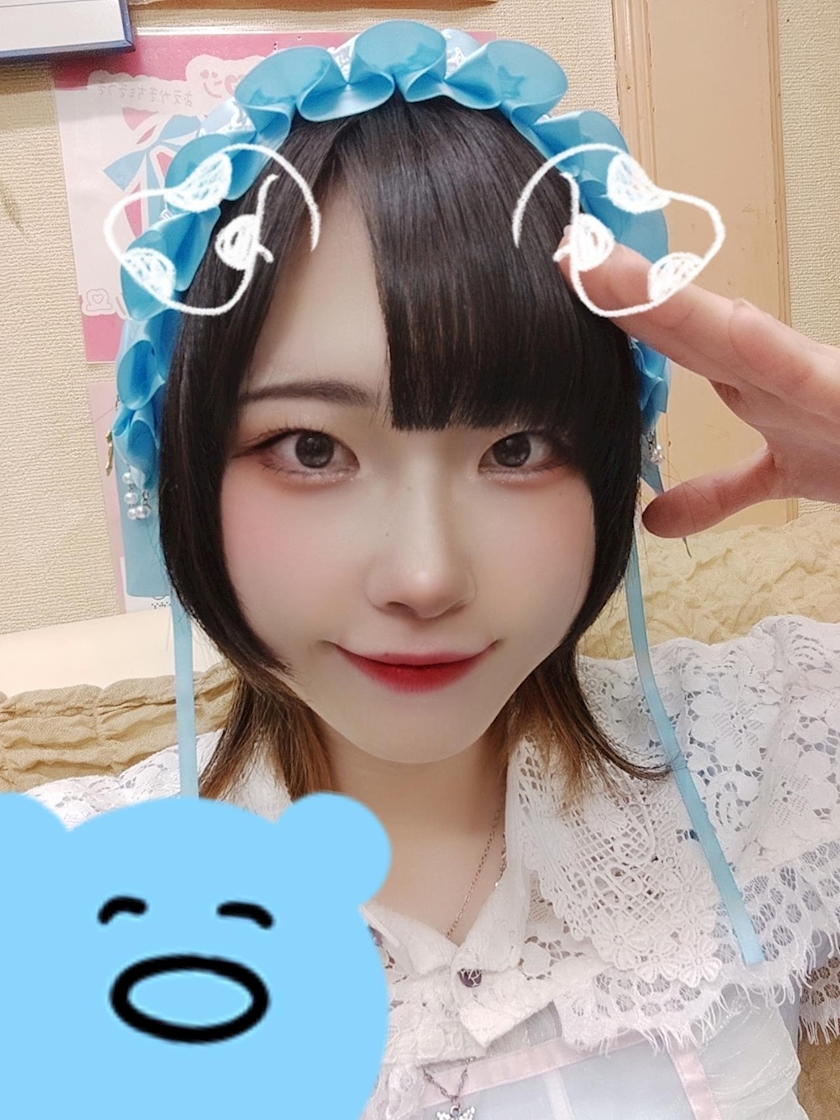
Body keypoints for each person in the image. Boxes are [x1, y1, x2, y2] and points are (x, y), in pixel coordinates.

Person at [25, 22, 840, 1120]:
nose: (424, 576)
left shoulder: (773, 747)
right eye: (312, 448)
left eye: (516, 449)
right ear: (181, 469)